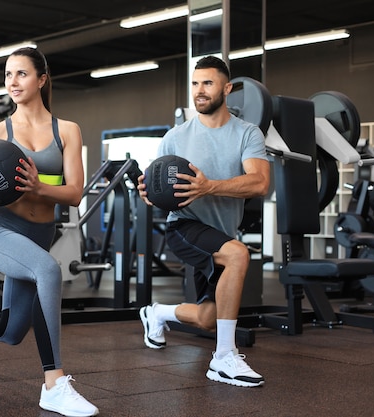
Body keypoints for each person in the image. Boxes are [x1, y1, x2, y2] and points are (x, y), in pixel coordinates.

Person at [0, 47, 99, 417]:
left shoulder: (66, 130)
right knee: (49, 270)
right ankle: (54, 383)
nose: (12, 82)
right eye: (7, 75)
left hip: (39, 232)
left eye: (21, 74)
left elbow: (75, 193)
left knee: (12, 330)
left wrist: (38, 188)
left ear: (42, 79)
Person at [137, 56, 270, 388]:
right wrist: (148, 193)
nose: (200, 91)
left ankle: (157, 314)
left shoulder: (247, 133)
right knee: (239, 254)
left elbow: (260, 182)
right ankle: (224, 358)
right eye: (195, 84)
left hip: (221, 231)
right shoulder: (175, 137)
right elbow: (157, 190)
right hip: (184, 225)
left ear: (226, 89)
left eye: (208, 83)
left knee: (208, 318)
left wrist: (210, 186)